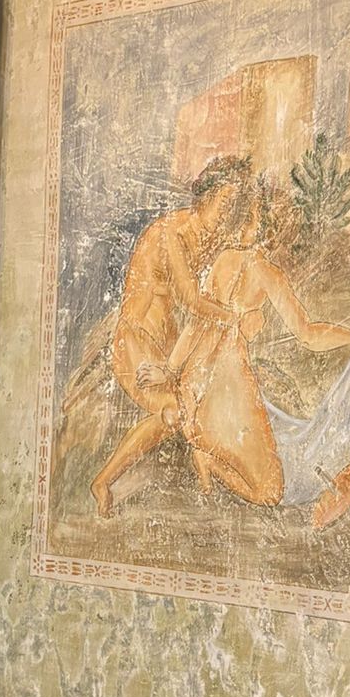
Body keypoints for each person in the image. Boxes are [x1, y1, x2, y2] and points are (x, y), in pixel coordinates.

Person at [166, 191, 350, 528]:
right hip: (230, 388)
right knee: (270, 491)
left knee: (268, 446)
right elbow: (307, 335)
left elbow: (195, 324)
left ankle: (209, 456)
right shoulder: (265, 272)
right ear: (270, 229)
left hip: (197, 390)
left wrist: (172, 372)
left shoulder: (222, 260)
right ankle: (209, 462)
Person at [90, 157, 249, 516]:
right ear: (206, 197)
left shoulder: (209, 238)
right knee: (175, 412)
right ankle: (102, 482)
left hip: (168, 346)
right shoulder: (172, 233)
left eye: (233, 205)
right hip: (137, 341)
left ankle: (215, 474)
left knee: (204, 400)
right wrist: (233, 317)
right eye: (225, 202)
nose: (228, 212)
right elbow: (192, 300)